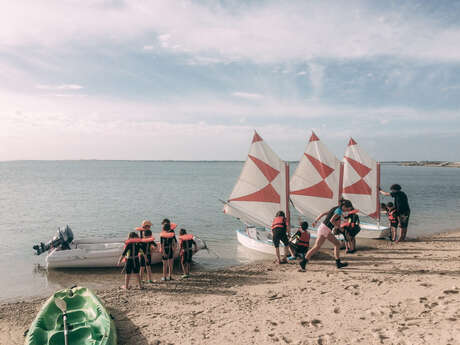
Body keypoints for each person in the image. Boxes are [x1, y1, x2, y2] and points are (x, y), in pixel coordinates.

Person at [299, 200, 353, 271]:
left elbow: (324, 213)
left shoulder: (335, 208)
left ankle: (338, 262)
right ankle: (304, 261)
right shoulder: (339, 211)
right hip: (325, 229)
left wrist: (316, 220)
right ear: (344, 206)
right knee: (317, 246)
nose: (347, 210)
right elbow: (331, 220)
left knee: (336, 244)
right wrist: (339, 228)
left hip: (324, 228)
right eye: (347, 209)